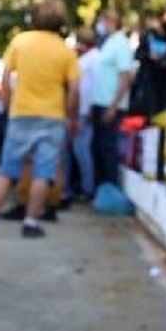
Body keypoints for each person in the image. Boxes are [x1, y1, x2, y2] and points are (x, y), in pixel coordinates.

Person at [0, 0, 79, 239]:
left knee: (6, 168)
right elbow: (74, 89)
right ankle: (31, 221)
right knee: (43, 172)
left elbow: (5, 79)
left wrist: (9, 105)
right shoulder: (64, 50)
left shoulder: (20, 42)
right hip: (52, 116)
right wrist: (70, 115)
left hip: (21, 113)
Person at [91, 9, 135, 188]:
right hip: (101, 103)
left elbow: (125, 76)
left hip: (110, 105)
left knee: (109, 148)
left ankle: (109, 187)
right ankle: (101, 187)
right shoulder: (109, 42)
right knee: (99, 147)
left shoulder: (121, 43)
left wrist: (113, 106)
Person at [65, 28, 100, 203]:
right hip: (87, 110)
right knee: (81, 150)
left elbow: (77, 90)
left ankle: (83, 187)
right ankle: (84, 186)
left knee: (79, 150)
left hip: (81, 112)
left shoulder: (85, 61)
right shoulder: (96, 58)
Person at [133, 9, 166, 116]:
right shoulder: (148, 37)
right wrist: (148, 56)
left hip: (164, 85)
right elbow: (137, 54)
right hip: (147, 81)